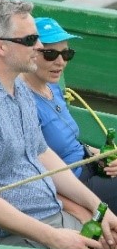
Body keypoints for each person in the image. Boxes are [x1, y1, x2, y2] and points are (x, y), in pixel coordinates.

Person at [0, 0, 116, 249]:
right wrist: (54, 238)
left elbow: (42, 153)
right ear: (0, 46)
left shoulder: (18, 88)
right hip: (13, 238)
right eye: (30, 39)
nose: (39, 46)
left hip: (48, 217)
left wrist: (99, 209)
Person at [21, 16, 117, 215]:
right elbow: (32, 170)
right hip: (73, 186)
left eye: (66, 54)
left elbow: (73, 143)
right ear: (29, 52)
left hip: (88, 164)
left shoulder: (53, 86)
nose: (60, 62)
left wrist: (102, 155)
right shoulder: (22, 102)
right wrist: (79, 211)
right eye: (50, 54)